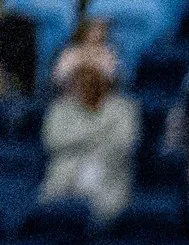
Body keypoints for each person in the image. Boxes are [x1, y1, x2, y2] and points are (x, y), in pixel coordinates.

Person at [41, 62, 137, 222]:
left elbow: (123, 145)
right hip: (62, 180)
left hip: (108, 179)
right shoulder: (59, 109)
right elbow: (54, 141)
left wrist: (78, 141)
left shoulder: (124, 109)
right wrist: (99, 132)